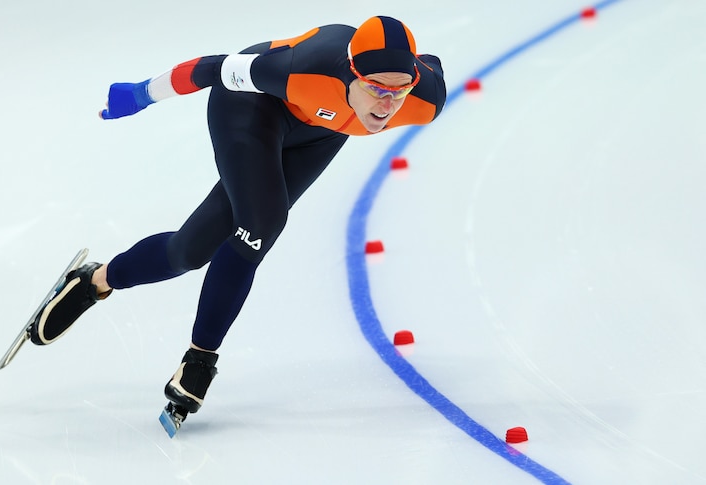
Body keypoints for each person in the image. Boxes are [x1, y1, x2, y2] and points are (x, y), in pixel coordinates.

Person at [31, 15, 446, 424]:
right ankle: (200, 359)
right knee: (250, 228)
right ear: (352, 74)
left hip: (320, 133)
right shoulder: (300, 69)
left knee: (194, 247)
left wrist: (406, 79)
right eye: (376, 89)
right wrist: (142, 93)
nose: (388, 104)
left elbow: (430, 66)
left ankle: (94, 280)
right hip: (251, 108)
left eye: (400, 89)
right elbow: (212, 68)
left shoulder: (424, 101)